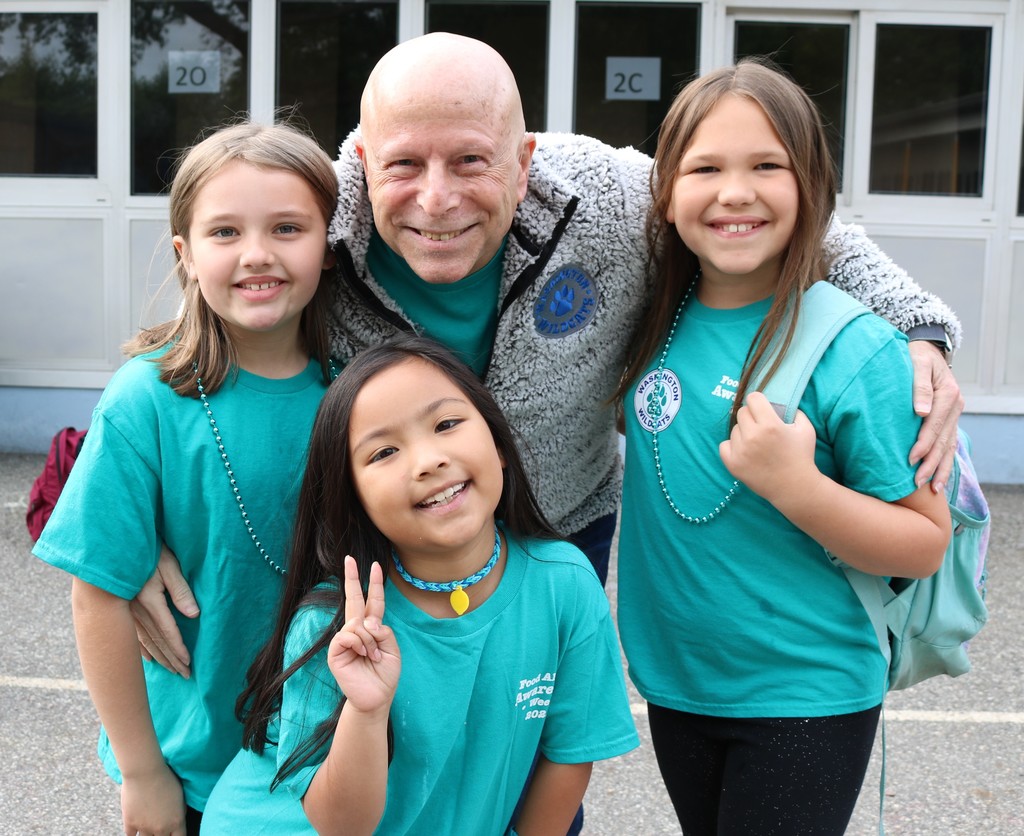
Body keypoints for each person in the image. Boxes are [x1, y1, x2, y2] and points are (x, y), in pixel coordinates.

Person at [138, 32, 965, 664]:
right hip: (387, 544)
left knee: (539, 764)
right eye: (403, 165)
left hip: (560, 535)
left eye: (470, 160)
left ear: (525, 159)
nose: (436, 198)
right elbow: (198, 338)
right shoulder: (313, 215)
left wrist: (920, 332)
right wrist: (119, 527)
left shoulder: (608, 192)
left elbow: (801, 227)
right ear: (359, 157)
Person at [614, 60, 953, 835]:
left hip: (804, 693)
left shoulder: (858, 349)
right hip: (678, 684)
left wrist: (797, 486)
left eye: (768, 165)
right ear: (666, 194)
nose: (736, 192)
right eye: (706, 168)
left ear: (813, 190)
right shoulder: (657, 322)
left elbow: (923, 542)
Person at [31, 121, 339, 835]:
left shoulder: (363, 391)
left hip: (327, 762)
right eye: (225, 232)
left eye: (288, 228)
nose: (256, 254)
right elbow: (97, 596)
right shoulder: (146, 398)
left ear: (328, 246)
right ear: (186, 255)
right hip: (191, 766)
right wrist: (142, 772)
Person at [200, 334, 639, 835]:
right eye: (384, 451)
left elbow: (569, 755)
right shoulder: (336, 625)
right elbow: (341, 827)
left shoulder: (566, 586)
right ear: (355, 498)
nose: (428, 460)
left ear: (497, 446)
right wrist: (366, 712)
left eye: (447, 424)